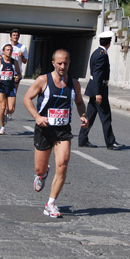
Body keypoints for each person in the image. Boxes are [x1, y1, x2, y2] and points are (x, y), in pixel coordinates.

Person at [23, 49, 88, 218]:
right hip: (44, 129)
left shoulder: (74, 84)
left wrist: (83, 115)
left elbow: (80, 102)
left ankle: (50, 203)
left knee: (63, 163)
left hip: (63, 131)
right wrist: (37, 117)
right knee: (39, 169)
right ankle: (43, 174)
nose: (62, 66)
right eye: (59, 63)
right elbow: (26, 99)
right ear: (53, 63)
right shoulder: (43, 80)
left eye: (65, 63)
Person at [78, 30, 125, 150]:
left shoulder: (96, 52)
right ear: (109, 42)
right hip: (99, 90)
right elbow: (98, 75)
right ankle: (110, 142)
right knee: (106, 117)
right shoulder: (102, 54)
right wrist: (98, 93)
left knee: (89, 116)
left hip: (94, 88)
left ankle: (83, 139)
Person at [0, 43, 22, 135]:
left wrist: (17, 77)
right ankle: (2, 127)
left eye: (11, 50)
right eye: (7, 50)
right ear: (3, 52)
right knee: (2, 108)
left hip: (11, 86)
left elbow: (19, 73)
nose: (9, 51)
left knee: (11, 109)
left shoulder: (14, 62)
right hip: (1, 86)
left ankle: (6, 115)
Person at [0, 28, 29, 120]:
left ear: (19, 37)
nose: (15, 37)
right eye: (14, 35)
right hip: (6, 73)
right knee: (6, 92)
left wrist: (21, 56)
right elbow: (0, 55)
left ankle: (9, 111)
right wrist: (1, 64)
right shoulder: (5, 46)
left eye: (17, 35)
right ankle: (7, 109)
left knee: (12, 93)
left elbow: (25, 61)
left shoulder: (22, 48)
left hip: (16, 74)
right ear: (10, 37)